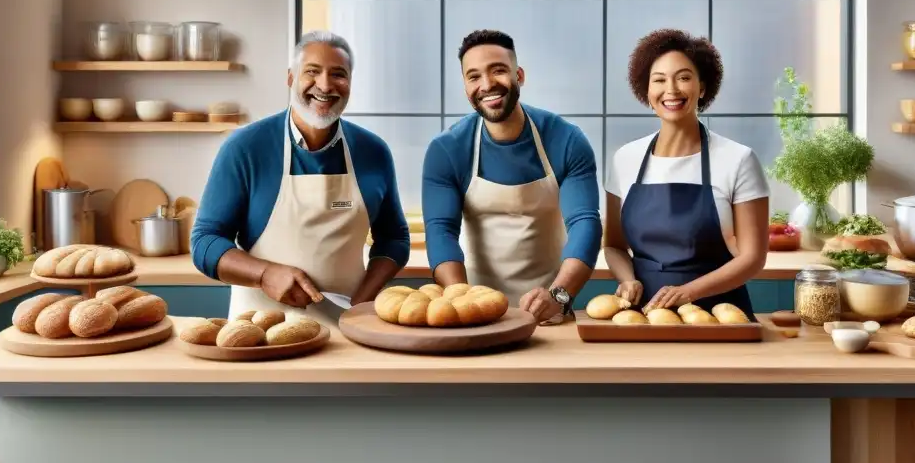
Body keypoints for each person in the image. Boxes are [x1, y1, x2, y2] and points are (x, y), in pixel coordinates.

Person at [190, 30, 411, 321]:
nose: (325, 85)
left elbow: (394, 238)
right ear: (291, 78)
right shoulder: (245, 148)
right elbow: (205, 241)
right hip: (261, 332)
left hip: (350, 328)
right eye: (312, 72)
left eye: (338, 74)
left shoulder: (373, 151)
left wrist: (362, 301)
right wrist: (265, 274)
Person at [422, 29, 603, 325]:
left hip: (552, 308)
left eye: (498, 71)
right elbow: (441, 230)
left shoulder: (566, 139)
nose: (487, 84)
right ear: (465, 86)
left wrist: (560, 294)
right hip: (475, 309)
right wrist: (461, 299)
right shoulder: (447, 149)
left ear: (519, 75)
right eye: (474, 76)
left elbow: (584, 221)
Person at [603, 29, 769, 318]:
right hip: (646, 315)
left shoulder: (738, 159)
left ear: (702, 87)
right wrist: (627, 279)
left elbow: (753, 258)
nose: (672, 90)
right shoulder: (624, 160)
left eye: (683, 77)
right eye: (659, 80)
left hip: (721, 314)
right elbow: (614, 247)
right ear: (647, 91)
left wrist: (689, 292)